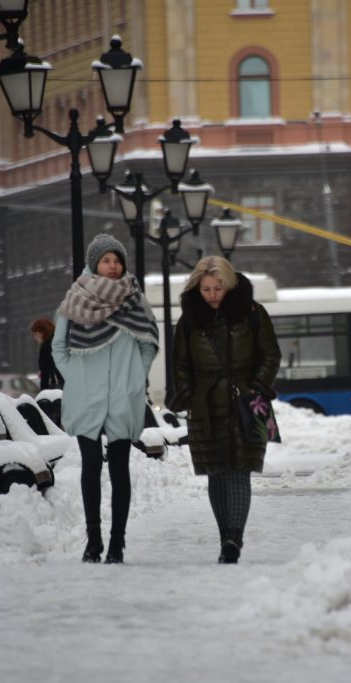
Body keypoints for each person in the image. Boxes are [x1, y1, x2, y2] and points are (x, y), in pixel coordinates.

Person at [52, 234, 159, 564]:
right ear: (94, 263)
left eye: (117, 261)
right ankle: (93, 539)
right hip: (86, 396)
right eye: (106, 260)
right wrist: (77, 379)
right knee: (90, 467)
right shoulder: (77, 297)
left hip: (122, 396)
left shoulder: (134, 299)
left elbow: (148, 342)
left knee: (120, 470)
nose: (113, 267)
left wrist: (134, 380)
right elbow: (59, 346)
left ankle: (117, 542)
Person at [170, 256, 281, 564]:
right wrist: (189, 395)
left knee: (239, 471)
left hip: (247, 401)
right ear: (197, 287)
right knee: (216, 474)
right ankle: (226, 539)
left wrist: (257, 385)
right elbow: (180, 363)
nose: (213, 295)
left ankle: (234, 537)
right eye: (206, 289)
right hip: (205, 404)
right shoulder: (190, 320)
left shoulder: (252, 313)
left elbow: (270, 354)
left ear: (229, 285)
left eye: (218, 288)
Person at [30, 317, 64, 389]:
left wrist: (44, 373)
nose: (34, 338)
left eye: (36, 334)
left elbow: (48, 369)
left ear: (43, 333)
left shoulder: (47, 346)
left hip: (53, 386)